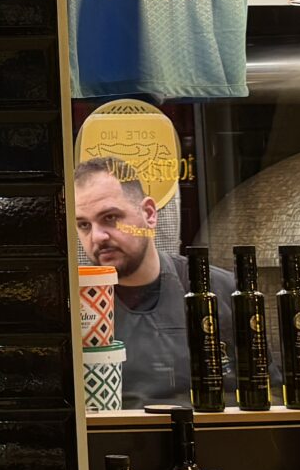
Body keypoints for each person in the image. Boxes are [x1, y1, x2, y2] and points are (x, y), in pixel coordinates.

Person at [73, 154, 231, 407]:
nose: (97, 236)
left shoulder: (219, 291)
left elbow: (266, 393)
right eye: (84, 225)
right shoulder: (71, 304)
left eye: (110, 217)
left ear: (149, 214)